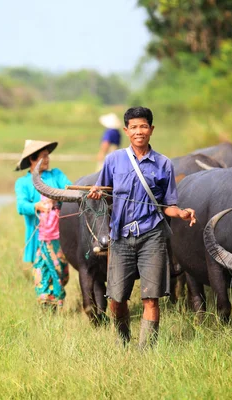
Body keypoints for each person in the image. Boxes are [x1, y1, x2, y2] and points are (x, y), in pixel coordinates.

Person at [87, 107, 197, 349]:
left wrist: (180, 212)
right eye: (134, 127)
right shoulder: (113, 160)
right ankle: (123, 343)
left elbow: (168, 205)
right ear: (126, 131)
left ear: (151, 129)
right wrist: (96, 194)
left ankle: (146, 351)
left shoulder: (163, 164)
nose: (139, 131)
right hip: (120, 236)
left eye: (144, 126)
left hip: (152, 236)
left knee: (151, 298)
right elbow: (102, 193)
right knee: (116, 299)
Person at [15, 140, 72, 310]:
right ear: (32, 160)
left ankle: (56, 304)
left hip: (59, 235)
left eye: (48, 156)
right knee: (41, 273)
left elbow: (68, 189)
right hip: (38, 236)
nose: (47, 160)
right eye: (43, 157)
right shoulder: (23, 183)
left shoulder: (56, 175)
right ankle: (47, 312)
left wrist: (57, 198)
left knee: (61, 271)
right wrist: (36, 206)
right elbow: (21, 205)